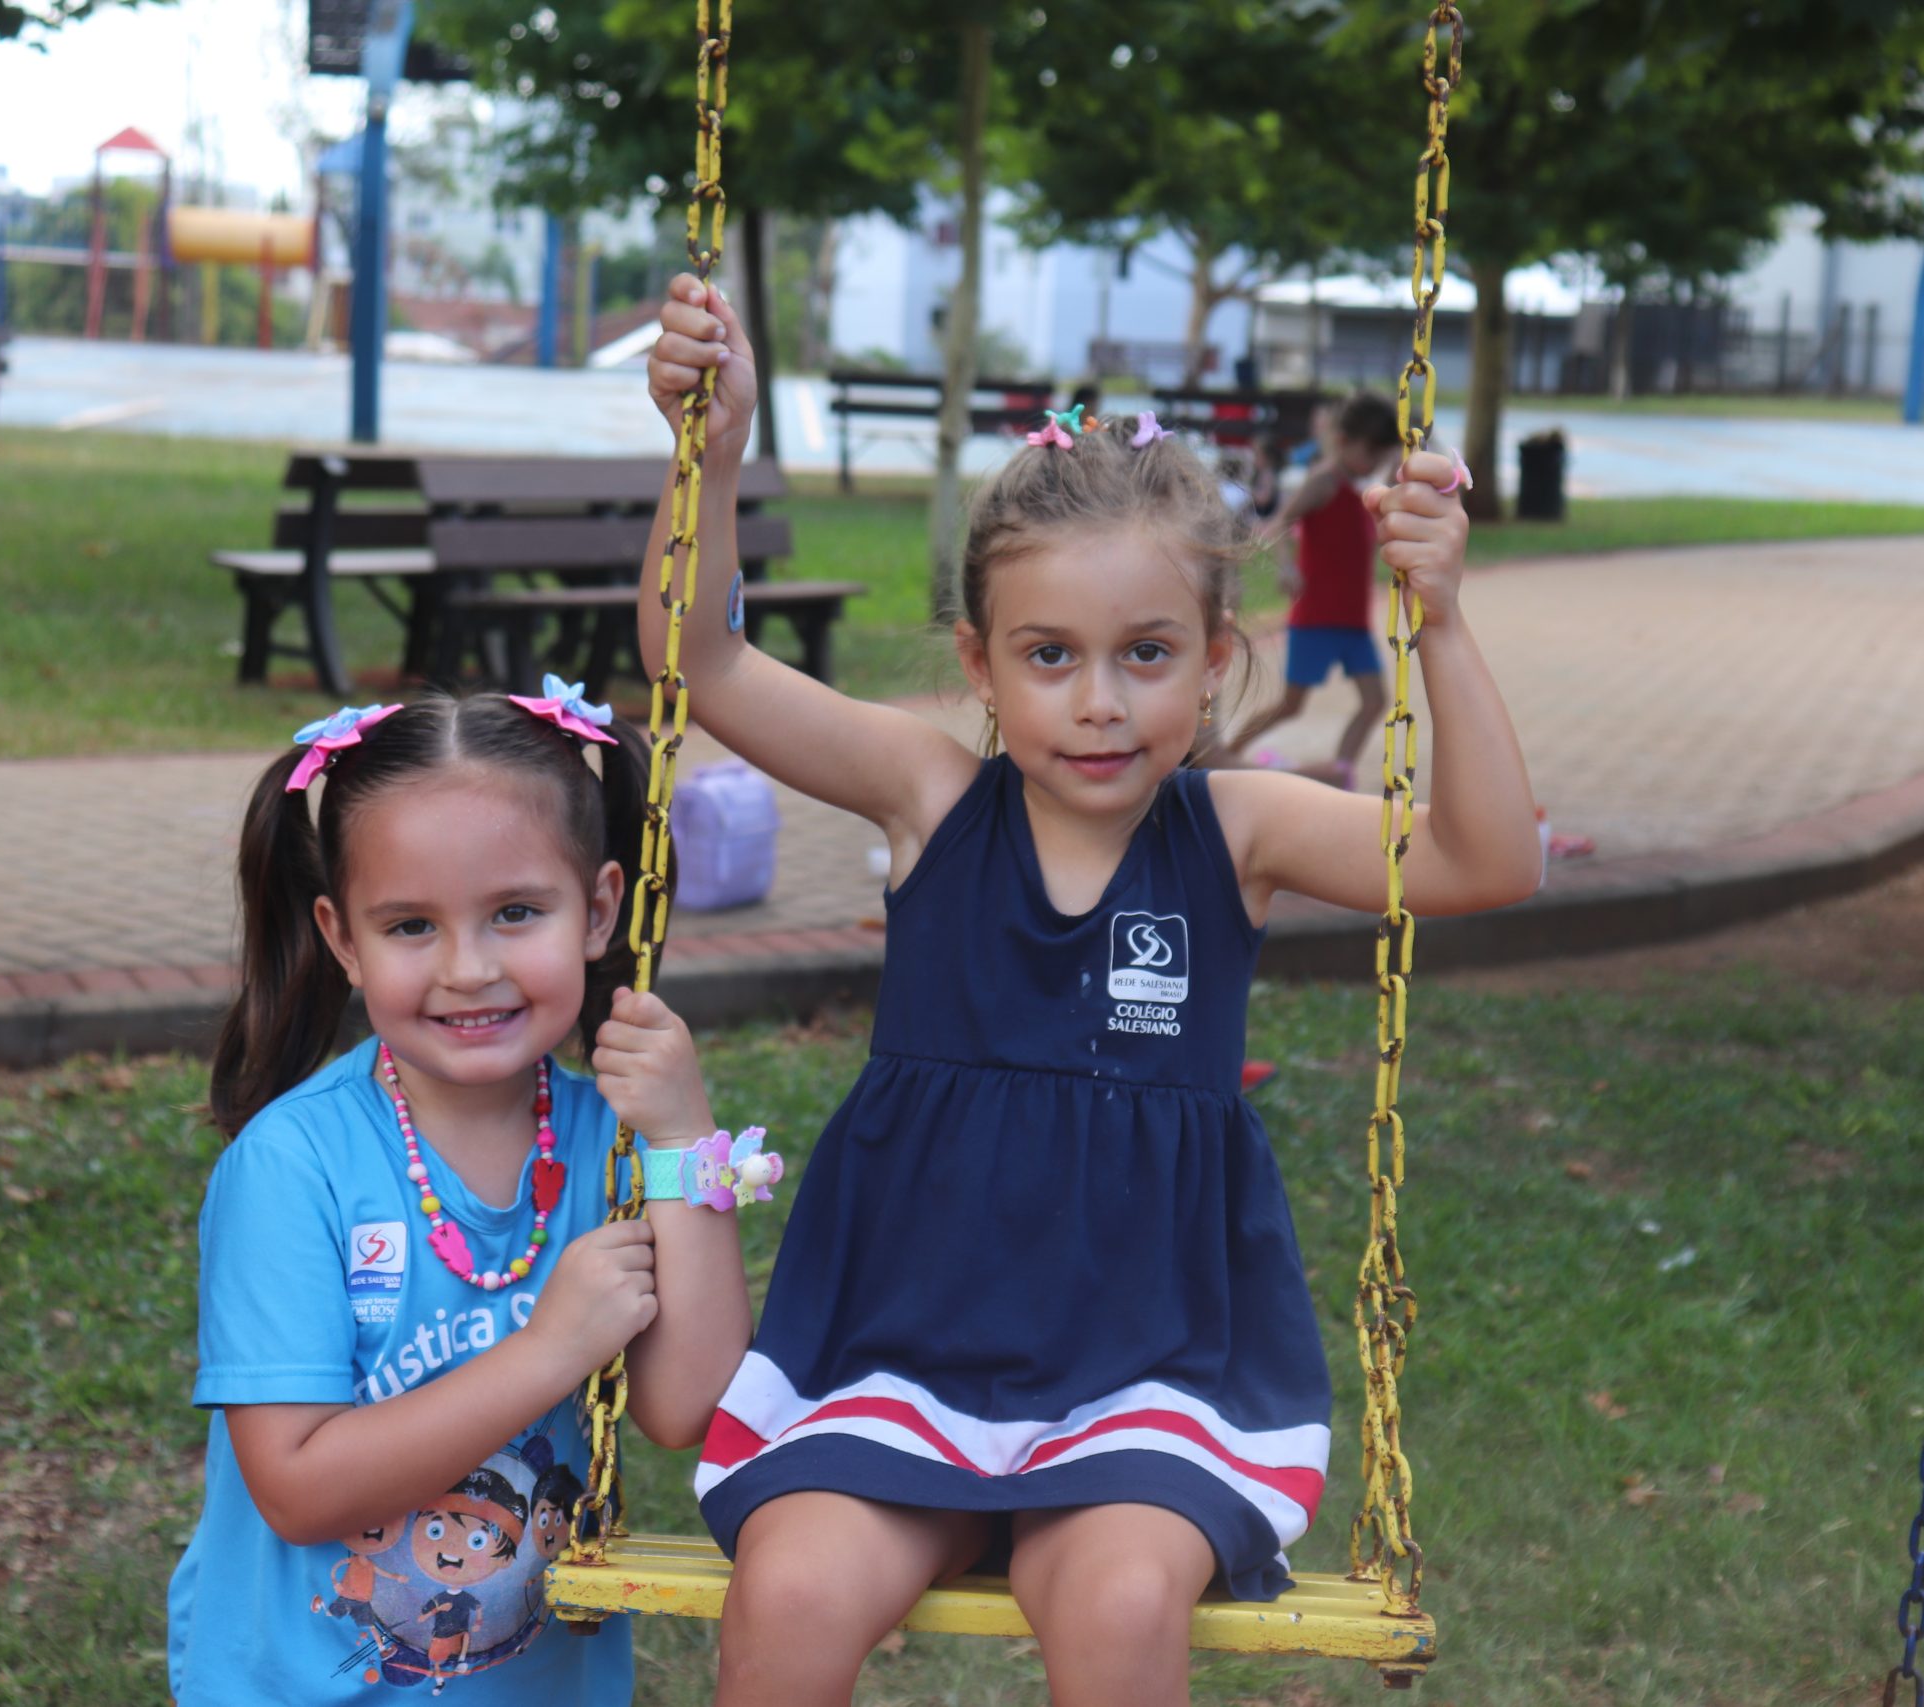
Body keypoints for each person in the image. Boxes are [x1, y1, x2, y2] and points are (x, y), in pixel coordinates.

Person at [644, 275, 1541, 1707]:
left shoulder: (1237, 831)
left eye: (1146, 654)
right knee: (794, 1590)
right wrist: (716, 450)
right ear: (982, 668)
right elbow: (697, 660)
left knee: (1120, 1604)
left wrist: (1436, 616)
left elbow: (1485, 861)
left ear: (1215, 664)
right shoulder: (930, 797)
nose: (1100, 701)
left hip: (1143, 1369)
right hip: (904, 1348)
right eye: (1049, 657)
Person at [167, 689, 759, 1705]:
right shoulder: (291, 1167)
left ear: (601, 907)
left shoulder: (609, 1141)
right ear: (343, 939)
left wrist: (679, 1141)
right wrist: (550, 1349)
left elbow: (684, 1406)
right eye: (410, 926)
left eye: (516, 913)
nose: (469, 968)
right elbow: (298, 1488)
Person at [1228, 392, 1407, 787]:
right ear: (1343, 441)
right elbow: (1275, 526)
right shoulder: (1324, 482)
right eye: (1370, 454)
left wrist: (1396, 462)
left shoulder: (1361, 490)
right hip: (1317, 619)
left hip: (1352, 621)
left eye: (1382, 458)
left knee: (1375, 701)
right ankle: (1226, 755)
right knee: (1291, 706)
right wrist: (1288, 568)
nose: (1375, 464)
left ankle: (1341, 771)